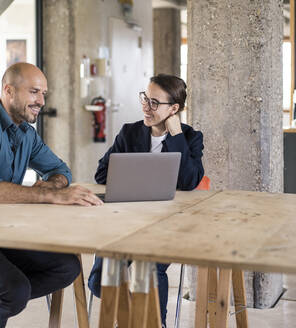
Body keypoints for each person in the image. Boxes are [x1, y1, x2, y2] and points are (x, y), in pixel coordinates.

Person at [0, 62, 103, 328]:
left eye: (44, 94)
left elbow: (60, 170)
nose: (41, 101)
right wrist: (53, 196)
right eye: (34, 92)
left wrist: (51, 185)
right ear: (9, 91)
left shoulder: (26, 133)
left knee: (66, 267)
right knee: (12, 289)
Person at [88, 74, 204, 326]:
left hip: (167, 224)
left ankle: (154, 323)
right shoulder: (129, 132)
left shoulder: (191, 138)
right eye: (145, 98)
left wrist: (175, 136)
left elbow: (189, 181)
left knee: (151, 266)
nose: (146, 107)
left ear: (173, 109)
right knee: (98, 281)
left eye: (154, 102)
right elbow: (101, 173)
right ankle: (138, 318)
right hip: (126, 221)